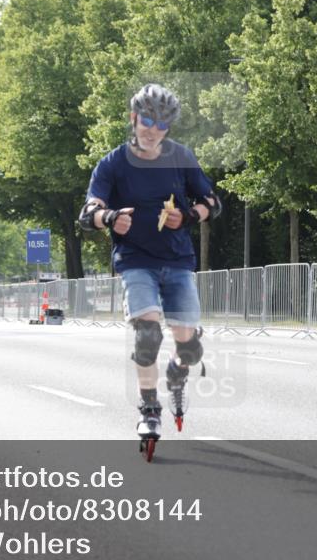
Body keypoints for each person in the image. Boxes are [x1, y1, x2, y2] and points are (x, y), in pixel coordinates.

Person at [78, 83, 222, 455]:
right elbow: (88, 212)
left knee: (189, 349)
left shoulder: (181, 157)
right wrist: (109, 217)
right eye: (146, 120)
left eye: (161, 124)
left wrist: (188, 215)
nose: (152, 130)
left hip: (177, 260)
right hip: (136, 260)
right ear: (133, 118)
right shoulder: (112, 163)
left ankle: (178, 370)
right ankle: (149, 409)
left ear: (169, 127)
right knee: (147, 335)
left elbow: (212, 201)